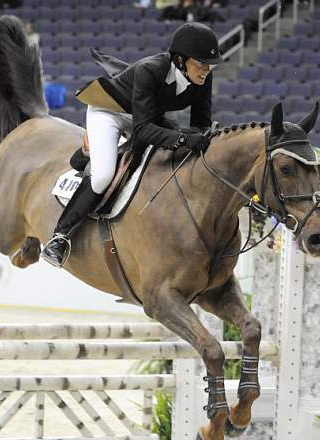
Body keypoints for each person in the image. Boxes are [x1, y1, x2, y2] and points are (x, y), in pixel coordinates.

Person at [41, 22, 222, 268]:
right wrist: (183, 139)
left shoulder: (202, 79)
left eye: (209, 66)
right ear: (180, 61)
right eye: (201, 64)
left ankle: (91, 155)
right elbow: (143, 131)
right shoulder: (151, 70)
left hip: (146, 114)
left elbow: (200, 124)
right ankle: (60, 238)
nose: (206, 71)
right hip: (110, 112)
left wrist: (205, 137)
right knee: (103, 175)